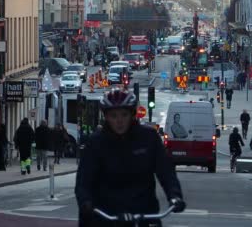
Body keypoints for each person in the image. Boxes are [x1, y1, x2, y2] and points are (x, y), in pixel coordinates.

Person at [75, 88, 185, 227]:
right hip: (106, 215)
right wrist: (85, 202)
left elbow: (165, 171)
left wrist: (174, 196)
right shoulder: (96, 143)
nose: (119, 121)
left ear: (132, 115)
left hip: (143, 213)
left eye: (124, 115)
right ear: (106, 117)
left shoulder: (149, 138)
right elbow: (84, 180)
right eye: (114, 116)